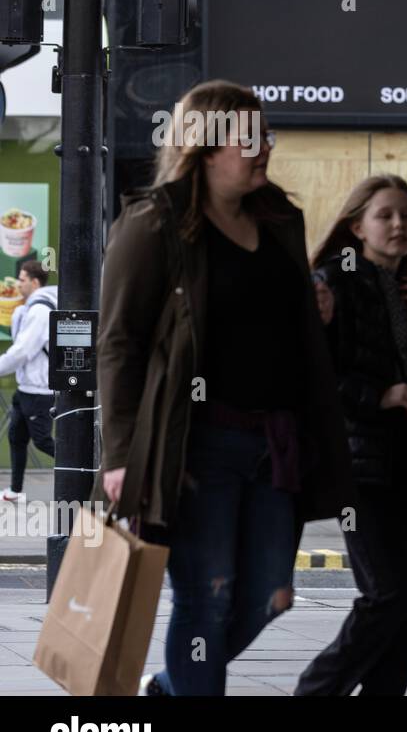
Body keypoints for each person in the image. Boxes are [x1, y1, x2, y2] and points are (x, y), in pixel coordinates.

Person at [96, 80, 354, 695]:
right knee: (205, 600)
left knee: (270, 595)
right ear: (206, 145)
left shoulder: (279, 219)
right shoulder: (156, 221)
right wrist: (119, 455)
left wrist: (319, 307)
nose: (265, 146)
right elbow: (119, 343)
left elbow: (290, 325)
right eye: (250, 137)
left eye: (266, 133)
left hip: (276, 444)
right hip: (195, 446)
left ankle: (171, 686)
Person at [295, 175, 407, 695]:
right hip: (360, 468)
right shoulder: (332, 282)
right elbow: (313, 373)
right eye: (386, 215)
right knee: (387, 594)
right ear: (357, 225)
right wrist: (380, 395)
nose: (399, 225)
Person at [0, 261, 57, 503]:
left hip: (38, 390)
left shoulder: (39, 312)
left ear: (34, 282)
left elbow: (22, 351)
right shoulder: (29, 308)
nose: (18, 283)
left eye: (22, 279)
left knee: (43, 441)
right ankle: (15, 491)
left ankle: (89, 467)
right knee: (16, 436)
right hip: (25, 389)